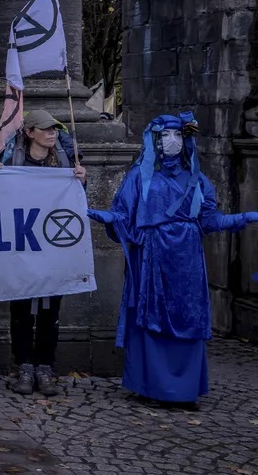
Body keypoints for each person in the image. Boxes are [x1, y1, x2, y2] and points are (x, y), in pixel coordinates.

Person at [89, 112, 258, 408]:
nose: (173, 141)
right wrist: (103, 215)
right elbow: (123, 215)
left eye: (179, 135)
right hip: (153, 257)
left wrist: (244, 217)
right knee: (152, 317)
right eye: (166, 136)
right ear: (154, 140)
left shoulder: (197, 179)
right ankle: (153, 387)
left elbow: (210, 221)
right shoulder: (138, 177)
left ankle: (185, 389)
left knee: (188, 316)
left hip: (188, 259)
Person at [0, 109, 87, 397]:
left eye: (54, 129)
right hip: (23, 246)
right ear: (30, 133)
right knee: (22, 308)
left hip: (53, 247)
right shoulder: (14, 161)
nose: (51, 133)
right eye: (45, 129)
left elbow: (74, 202)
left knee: (50, 309)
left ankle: (45, 366)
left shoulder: (63, 160)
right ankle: (24, 364)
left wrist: (80, 181)